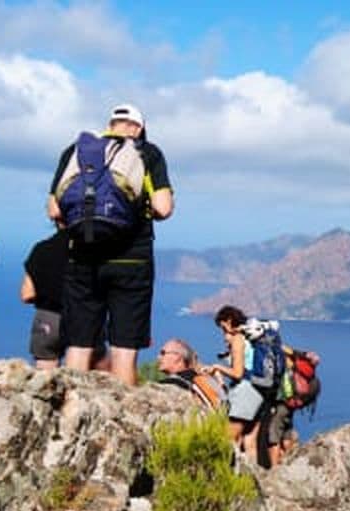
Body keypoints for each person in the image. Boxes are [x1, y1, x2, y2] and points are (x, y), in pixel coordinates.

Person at [47, 104, 173, 385]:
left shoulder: (75, 151)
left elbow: (54, 209)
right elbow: (163, 208)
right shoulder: (147, 152)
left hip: (82, 259)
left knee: (79, 345)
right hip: (132, 260)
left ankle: (71, 406)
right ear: (138, 128)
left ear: (111, 124)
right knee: (124, 349)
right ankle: (122, 411)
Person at [20, 228, 109, 370]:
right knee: (97, 370)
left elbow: (27, 294)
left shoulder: (41, 249)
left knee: (45, 375)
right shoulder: (95, 249)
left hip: (48, 318)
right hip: (84, 318)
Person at [203, 305, 264, 459]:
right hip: (259, 392)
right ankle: (253, 473)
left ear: (229, 321)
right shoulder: (250, 336)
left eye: (223, 327)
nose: (223, 331)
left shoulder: (238, 339)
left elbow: (238, 373)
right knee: (250, 442)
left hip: (246, 393)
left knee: (229, 438)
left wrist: (217, 367)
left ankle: (227, 471)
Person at [157, 337, 224, 411]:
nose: (158, 357)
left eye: (163, 353)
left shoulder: (172, 383)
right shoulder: (207, 381)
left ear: (178, 357)